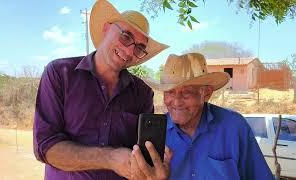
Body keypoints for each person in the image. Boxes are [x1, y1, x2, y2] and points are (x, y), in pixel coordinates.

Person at [33, 0, 168, 179]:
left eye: (139, 48)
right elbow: (46, 147)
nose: (129, 52)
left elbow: (141, 157)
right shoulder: (60, 73)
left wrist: (153, 166)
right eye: (126, 36)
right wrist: (110, 158)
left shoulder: (143, 93)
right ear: (106, 29)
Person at [131, 53, 274, 180]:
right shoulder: (155, 137)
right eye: (169, 92)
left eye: (186, 92)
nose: (176, 102)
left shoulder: (234, 127)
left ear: (206, 93)